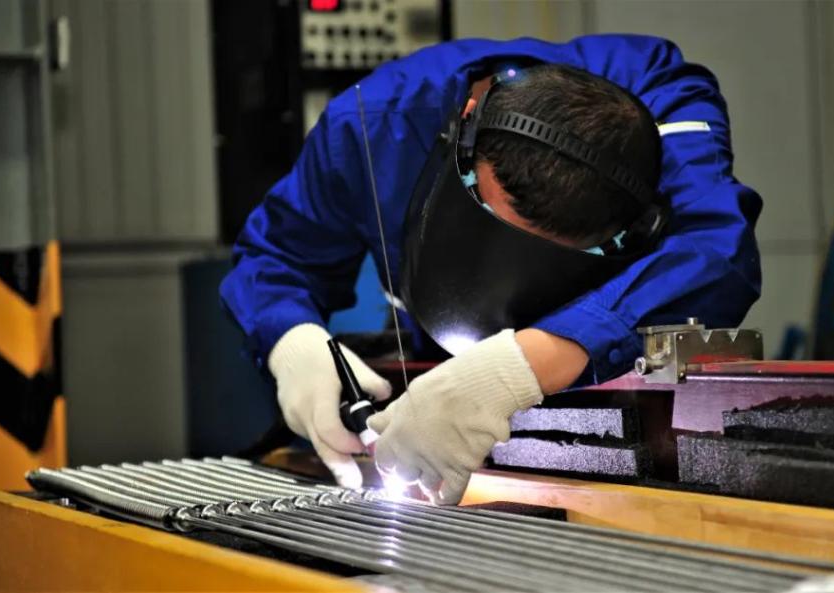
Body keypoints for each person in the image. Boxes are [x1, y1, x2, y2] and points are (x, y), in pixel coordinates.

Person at [220, 34, 762, 505]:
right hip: (441, 394)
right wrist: (292, 342)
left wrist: (521, 368)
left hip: (607, 403)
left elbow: (716, 251)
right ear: (464, 129)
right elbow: (276, 257)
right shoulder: (376, 123)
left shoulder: (662, 97)